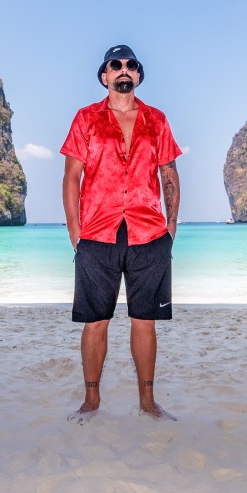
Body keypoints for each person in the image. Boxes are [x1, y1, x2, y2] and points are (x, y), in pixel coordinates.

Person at [60, 44, 182, 421]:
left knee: (144, 320)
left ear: (139, 76)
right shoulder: (86, 119)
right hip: (97, 232)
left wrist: (171, 226)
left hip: (149, 232)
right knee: (96, 320)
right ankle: (92, 399)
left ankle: (147, 401)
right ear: (105, 76)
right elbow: (71, 177)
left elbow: (169, 175)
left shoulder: (157, 120)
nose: (124, 70)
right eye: (116, 65)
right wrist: (74, 230)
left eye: (131, 65)